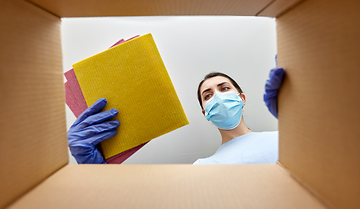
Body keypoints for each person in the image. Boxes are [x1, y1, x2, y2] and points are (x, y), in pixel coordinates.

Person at [68, 60, 285, 164]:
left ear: (242, 98)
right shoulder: (203, 167)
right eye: (208, 95)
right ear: (205, 112)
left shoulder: (283, 140)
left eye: (224, 88)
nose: (217, 96)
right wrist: (95, 173)